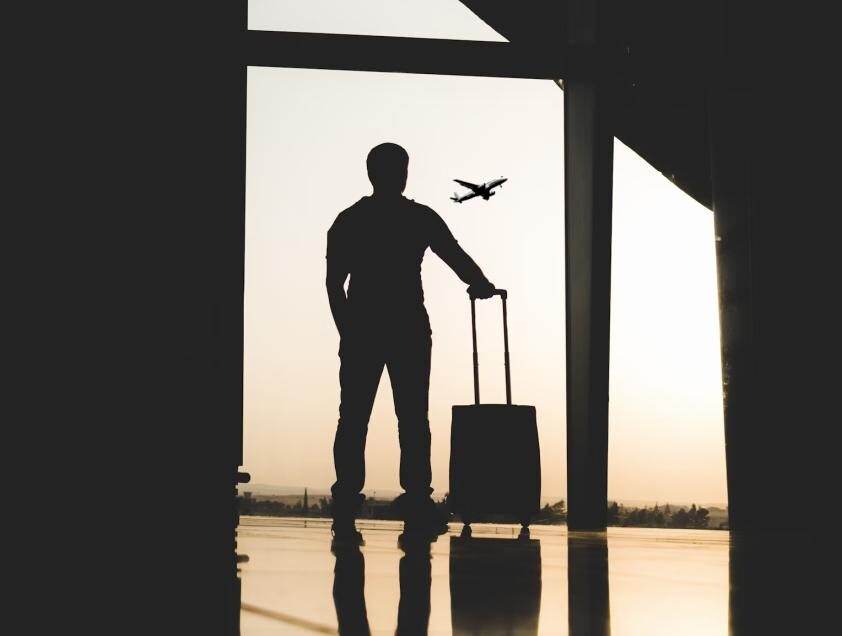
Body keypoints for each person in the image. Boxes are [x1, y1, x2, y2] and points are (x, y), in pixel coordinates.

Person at [326, 142, 496, 545]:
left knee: (353, 417)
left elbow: (335, 284)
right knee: (413, 417)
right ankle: (417, 497)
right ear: (403, 174)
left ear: (370, 174)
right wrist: (481, 282)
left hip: (363, 327)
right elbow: (452, 254)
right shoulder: (417, 217)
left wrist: (347, 330)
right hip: (407, 327)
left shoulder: (349, 221)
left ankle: (347, 496)